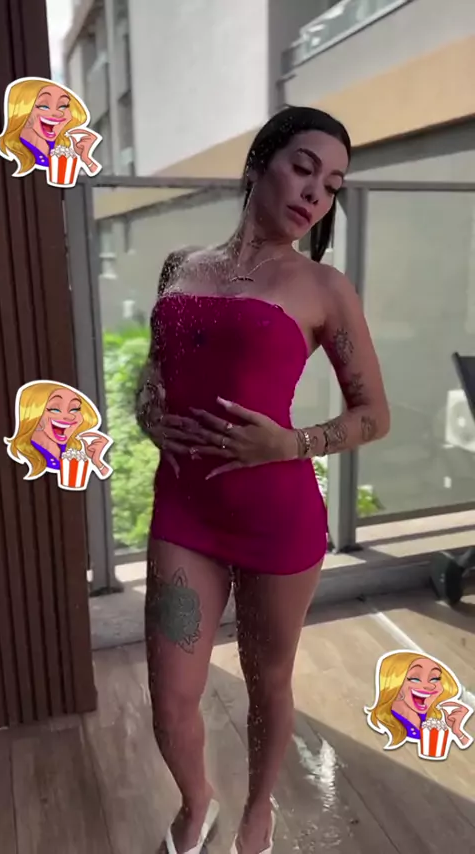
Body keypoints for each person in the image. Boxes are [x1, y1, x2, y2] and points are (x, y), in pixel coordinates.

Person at [135, 105, 390, 854]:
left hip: (277, 519)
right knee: (170, 696)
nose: (316, 192)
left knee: (266, 681)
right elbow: (156, 375)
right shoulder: (180, 267)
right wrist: (149, 414)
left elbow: (374, 415)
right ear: (258, 165)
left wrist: (292, 442)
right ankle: (197, 802)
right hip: (185, 510)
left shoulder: (324, 287)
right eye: (304, 168)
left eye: (332, 184)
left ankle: (257, 811)